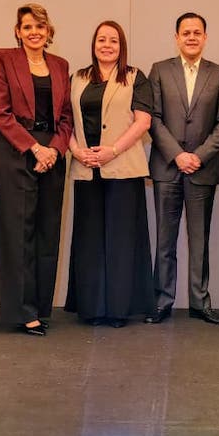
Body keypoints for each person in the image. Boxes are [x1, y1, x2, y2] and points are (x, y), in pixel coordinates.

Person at [0, 3, 72, 336]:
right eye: (27, 27)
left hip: (52, 153)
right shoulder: (3, 59)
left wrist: (54, 149)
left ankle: (39, 307)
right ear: (18, 31)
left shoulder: (60, 65)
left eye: (39, 26)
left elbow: (66, 117)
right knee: (18, 232)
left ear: (48, 31)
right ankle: (22, 312)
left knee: (48, 231)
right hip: (15, 150)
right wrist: (34, 147)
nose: (34, 32)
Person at [145, 12, 219, 325]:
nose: (192, 37)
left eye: (197, 32)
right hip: (167, 167)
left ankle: (200, 302)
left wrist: (199, 156)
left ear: (205, 37)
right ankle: (161, 302)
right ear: (177, 37)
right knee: (164, 241)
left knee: (200, 241)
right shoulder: (159, 70)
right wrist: (177, 155)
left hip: (202, 169)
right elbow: (153, 118)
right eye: (186, 32)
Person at [64, 21, 155, 328]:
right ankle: (92, 309)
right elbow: (65, 121)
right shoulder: (77, 78)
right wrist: (76, 151)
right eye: (101, 40)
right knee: (89, 241)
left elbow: (143, 122)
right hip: (86, 168)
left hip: (123, 169)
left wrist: (112, 150)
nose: (106, 45)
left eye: (113, 41)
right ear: (93, 44)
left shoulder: (135, 77)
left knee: (121, 241)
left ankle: (118, 310)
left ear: (121, 46)